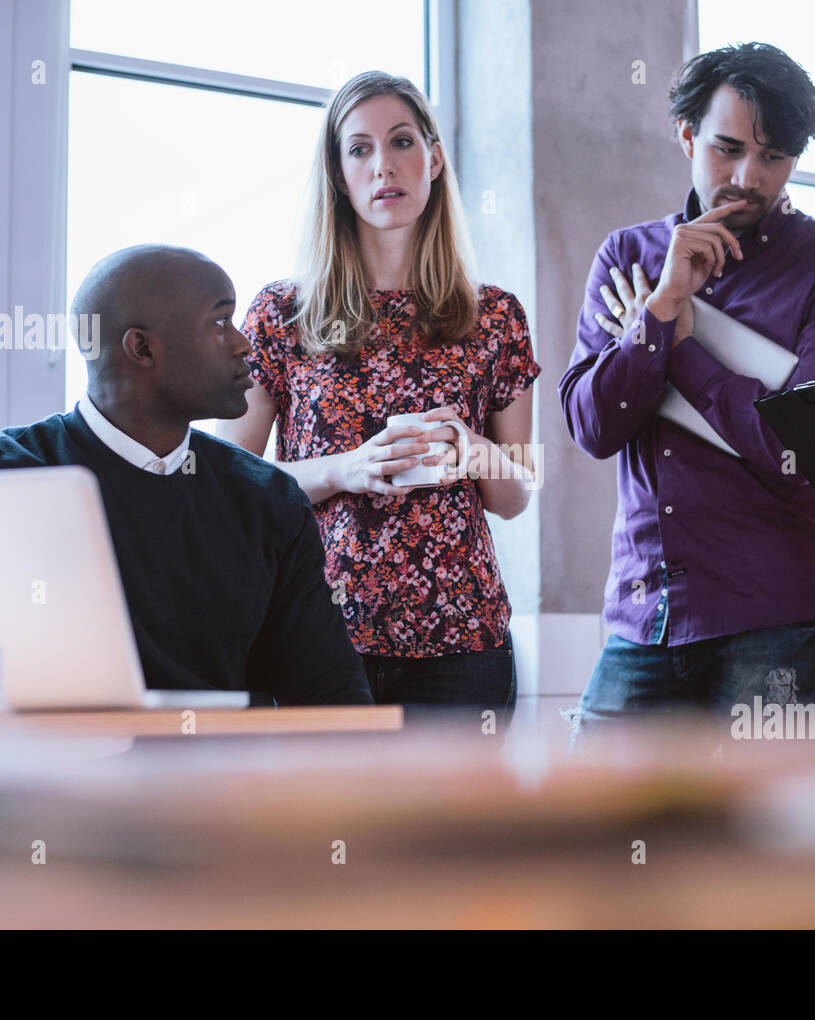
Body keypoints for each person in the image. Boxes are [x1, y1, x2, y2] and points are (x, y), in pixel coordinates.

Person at [559, 42, 815, 745]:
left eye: (775, 156)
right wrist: (664, 302)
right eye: (728, 148)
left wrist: (680, 343)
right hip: (643, 619)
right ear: (686, 136)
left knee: (762, 856)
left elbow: (797, 449)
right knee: (602, 848)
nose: (747, 177)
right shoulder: (629, 258)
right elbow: (591, 427)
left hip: (783, 620)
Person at [218, 71, 540, 731]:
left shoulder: (496, 315)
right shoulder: (282, 313)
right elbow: (234, 488)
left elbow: (516, 492)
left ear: (434, 157)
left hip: (463, 643)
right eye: (359, 148)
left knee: (448, 837)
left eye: (400, 142)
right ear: (337, 173)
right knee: (320, 833)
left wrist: (475, 451)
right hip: (317, 633)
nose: (383, 165)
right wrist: (345, 469)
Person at [0, 244, 372, 706]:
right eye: (220, 321)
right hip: (48, 774)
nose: (244, 343)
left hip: (215, 775)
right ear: (142, 348)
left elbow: (332, 699)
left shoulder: (267, 499)